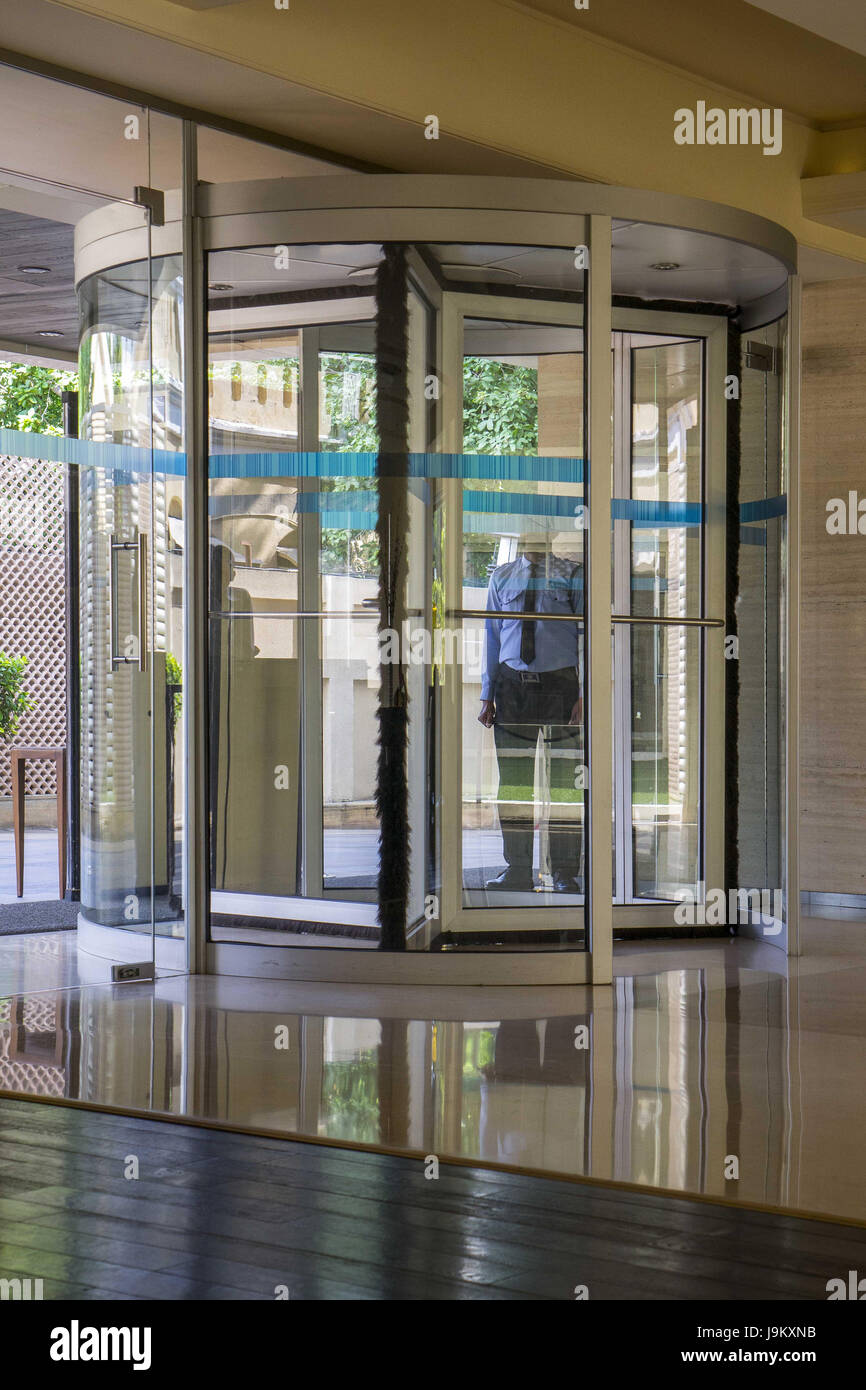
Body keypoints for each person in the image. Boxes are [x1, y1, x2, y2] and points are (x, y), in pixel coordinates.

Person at [478, 530, 584, 893]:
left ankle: (565, 872)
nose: (530, 539)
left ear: (548, 537)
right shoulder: (502, 576)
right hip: (512, 687)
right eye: (525, 533)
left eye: (537, 533)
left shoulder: (572, 575)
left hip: (561, 688)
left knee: (565, 783)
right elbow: (491, 635)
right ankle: (518, 870)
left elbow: (587, 636)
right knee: (514, 784)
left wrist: (584, 692)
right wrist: (487, 693)